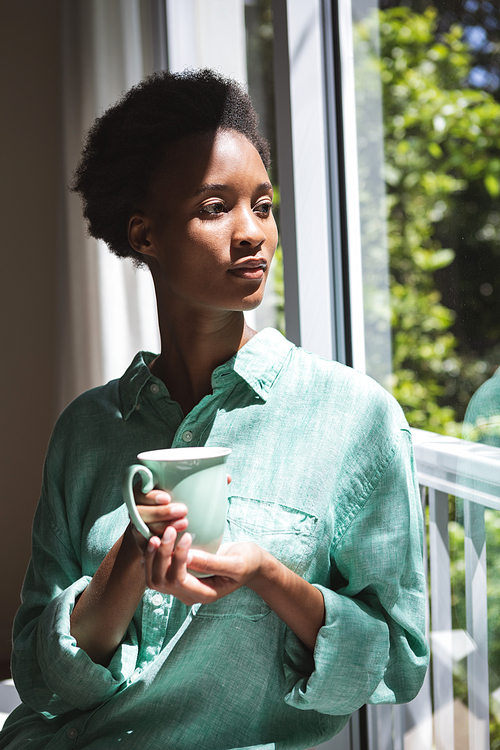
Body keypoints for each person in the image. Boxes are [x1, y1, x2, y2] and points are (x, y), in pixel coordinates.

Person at [0, 69, 428, 750]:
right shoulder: (86, 431)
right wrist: (128, 567)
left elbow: (398, 664)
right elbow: (41, 680)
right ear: (145, 235)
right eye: (213, 207)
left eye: (262, 204)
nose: (251, 232)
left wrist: (267, 575)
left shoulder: (356, 417)